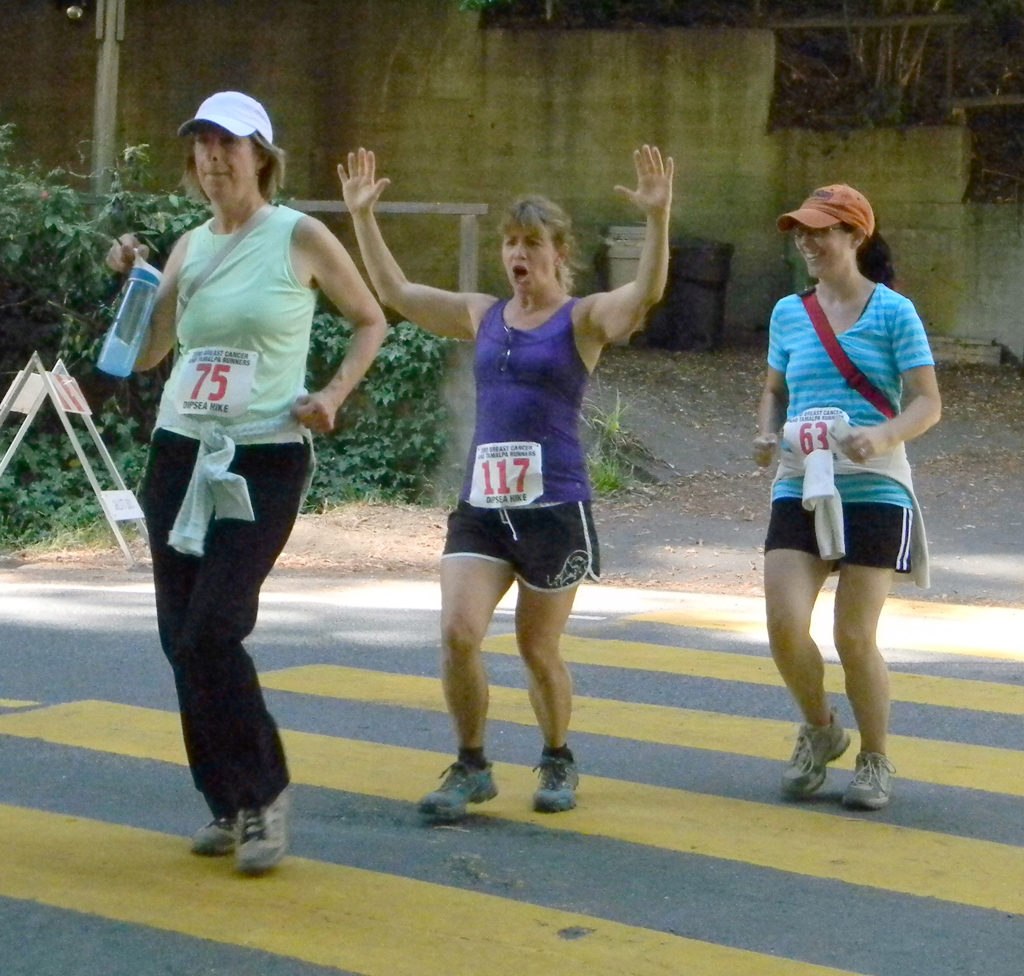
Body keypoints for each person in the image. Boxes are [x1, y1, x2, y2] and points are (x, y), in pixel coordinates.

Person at [339, 145, 672, 821]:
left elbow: (647, 295)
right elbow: (398, 296)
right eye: (511, 243)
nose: (519, 255)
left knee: (536, 646)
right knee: (459, 632)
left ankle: (556, 755)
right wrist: (362, 218)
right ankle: (471, 764)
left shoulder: (582, 320)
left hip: (554, 507)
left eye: (533, 244)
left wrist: (659, 220)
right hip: (483, 507)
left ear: (559, 254)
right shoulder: (482, 314)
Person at [105, 92, 387, 873]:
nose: (212, 159)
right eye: (200, 145)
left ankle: (266, 798)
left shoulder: (298, 235)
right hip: (179, 452)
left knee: (212, 630)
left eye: (228, 144)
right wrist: (137, 282)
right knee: (178, 638)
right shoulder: (190, 249)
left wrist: (330, 395)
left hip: (261, 457)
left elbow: (372, 320)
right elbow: (151, 353)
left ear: (262, 154)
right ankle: (225, 804)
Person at [753, 184, 941, 810]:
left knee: (854, 636)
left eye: (821, 230)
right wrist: (763, 432)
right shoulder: (789, 312)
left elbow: (927, 401)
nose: (808, 241)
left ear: (856, 236)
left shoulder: (894, 312)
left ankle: (875, 757)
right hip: (800, 480)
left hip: (875, 487)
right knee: (783, 624)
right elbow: (775, 392)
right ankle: (822, 729)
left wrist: (882, 434)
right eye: (801, 231)